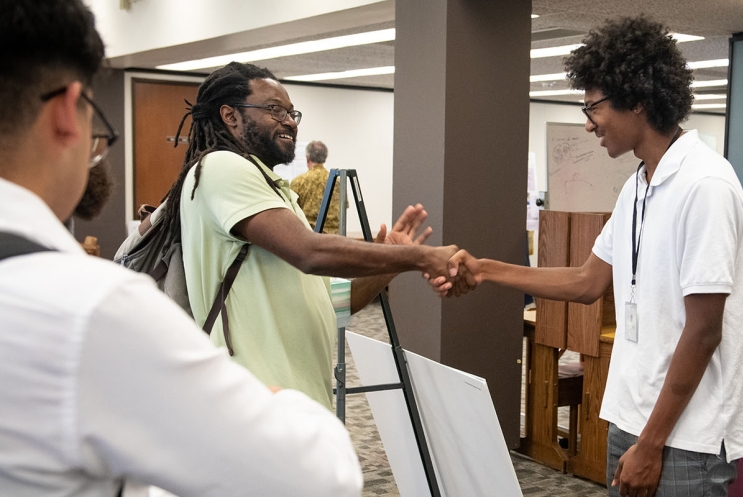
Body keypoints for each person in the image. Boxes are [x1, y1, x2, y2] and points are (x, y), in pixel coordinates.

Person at [0, 1, 363, 495]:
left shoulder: (273, 188)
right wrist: (276, 398)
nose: (288, 121)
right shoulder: (88, 310)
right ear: (68, 111)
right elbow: (316, 476)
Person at [437, 16, 743, 497]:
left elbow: (703, 331)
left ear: (638, 99)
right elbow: (587, 281)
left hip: (686, 437)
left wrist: (652, 445)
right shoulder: (639, 184)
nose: (588, 122)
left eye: (593, 106)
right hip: (632, 418)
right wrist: (484, 269)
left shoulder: (706, 186)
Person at [168, 61, 456, 408]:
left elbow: (335, 303)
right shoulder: (221, 167)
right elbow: (309, 252)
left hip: (293, 401)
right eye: (274, 110)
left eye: (292, 112)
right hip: (252, 400)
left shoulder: (275, 189)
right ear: (230, 116)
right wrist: (420, 257)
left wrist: (391, 260)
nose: (289, 121)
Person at [291, 140, 341, 234]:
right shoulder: (337, 181)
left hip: (309, 238)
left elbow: (291, 211)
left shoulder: (298, 182)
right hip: (334, 239)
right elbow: (343, 208)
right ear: (325, 158)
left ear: (307, 158)